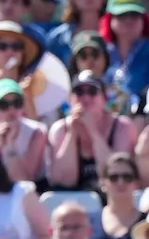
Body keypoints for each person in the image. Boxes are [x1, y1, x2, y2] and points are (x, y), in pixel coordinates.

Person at [44, 69, 139, 197]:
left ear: (104, 99)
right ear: (70, 99)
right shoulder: (60, 129)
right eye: (79, 92)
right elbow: (63, 180)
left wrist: (93, 131)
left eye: (92, 92)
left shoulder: (122, 126)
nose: (85, 98)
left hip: (111, 198)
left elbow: (115, 175)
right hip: (72, 199)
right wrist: (72, 134)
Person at [103, 0, 149, 109]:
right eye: (121, 15)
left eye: (134, 15)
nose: (128, 20)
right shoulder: (101, 51)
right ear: (110, 20)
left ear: (144, 19)